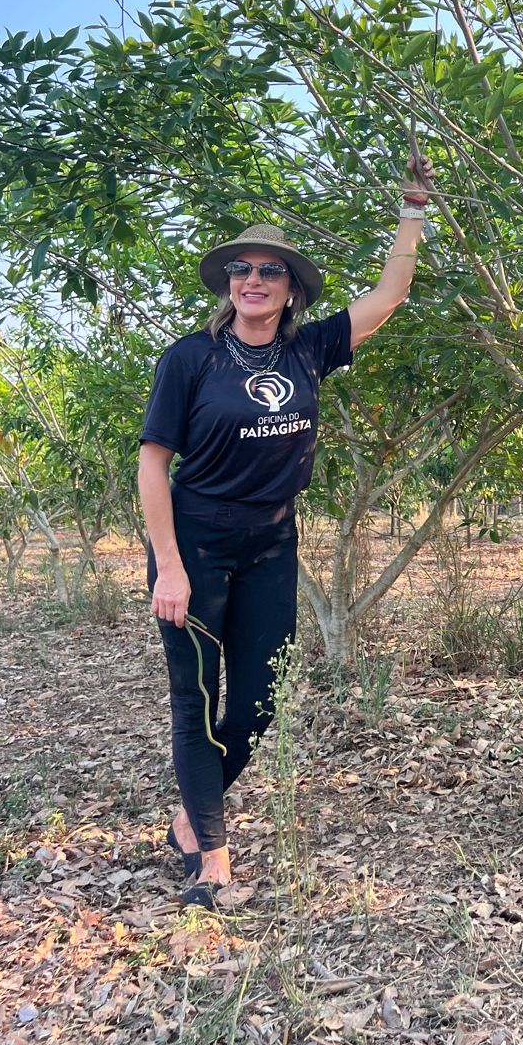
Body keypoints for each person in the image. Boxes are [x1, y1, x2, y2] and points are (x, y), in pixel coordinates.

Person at [138, 156, 434, 908]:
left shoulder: (310, 351)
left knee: (260, 702)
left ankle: (188, 816)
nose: (254, 280)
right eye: (242, 269)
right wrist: (168, 567)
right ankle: (212, 850)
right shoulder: (191, 359)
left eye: (270, 271)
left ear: (291, 288)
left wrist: (413, 206)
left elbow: (390, 294)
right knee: (196, 697)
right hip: (196, 542)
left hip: (272, 542)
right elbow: (151, 466)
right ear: (228, 283)